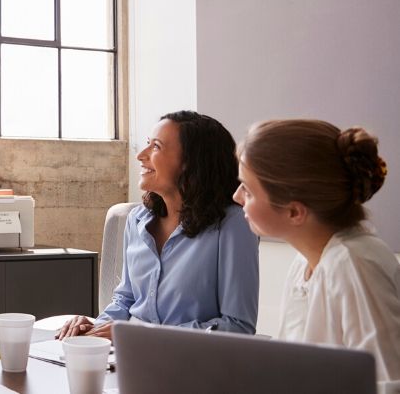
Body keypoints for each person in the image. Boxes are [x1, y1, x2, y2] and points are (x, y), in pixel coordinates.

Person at [58, 111, 259, 340]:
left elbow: (238, 326)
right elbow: (125, 299)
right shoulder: (137, 220)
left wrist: (144, 336)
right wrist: (94, 328)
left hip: (192, 366)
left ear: (191, 161)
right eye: (147, 145)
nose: (141, 156)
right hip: (129, 356)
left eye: (156, 147)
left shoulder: (234, 225)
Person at [234, 119, 400, 388]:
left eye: (248, 190)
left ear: (294, 212)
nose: (236, 196)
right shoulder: (305, 263)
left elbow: (388, 384)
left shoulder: (353, 265)